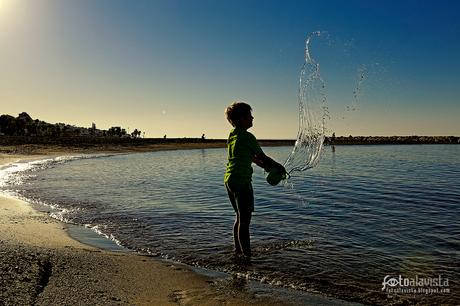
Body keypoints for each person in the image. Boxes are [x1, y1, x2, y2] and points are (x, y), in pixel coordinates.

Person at [224, 101, 286, 258]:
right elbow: (262, 156)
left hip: (229, 179)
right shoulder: (248, 136)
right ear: (241, 119)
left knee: (239, 217)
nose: (252, 118)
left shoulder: (233, 135)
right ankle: (247, 256)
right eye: (249, 116)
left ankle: (238, 251)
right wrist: (279, 167)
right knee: (245, 220)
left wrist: (263, 165)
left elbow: (249, 156)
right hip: (241, 181)